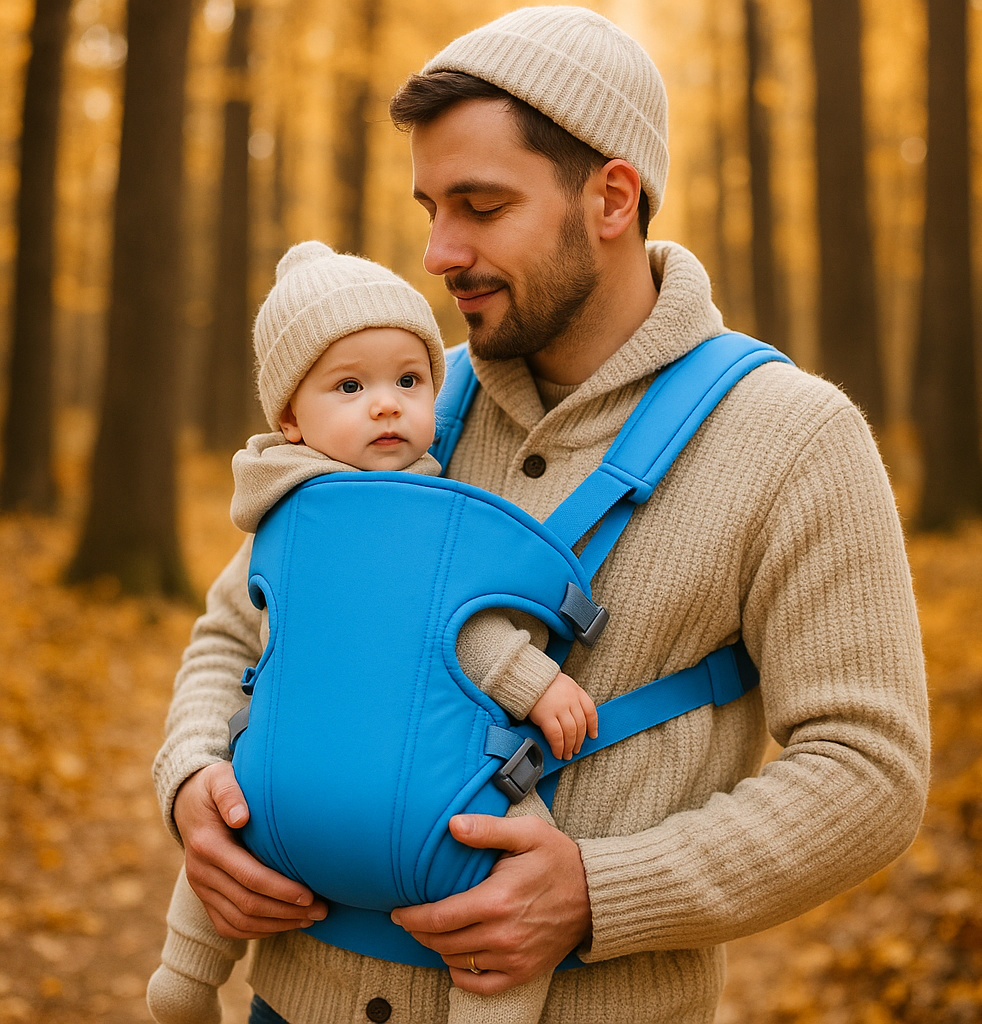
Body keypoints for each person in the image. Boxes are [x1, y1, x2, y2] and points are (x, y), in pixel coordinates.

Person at [153, 7, 930, 1024]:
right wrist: (192, 783)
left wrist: (601, 892)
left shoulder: (792, 437)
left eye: (480, 206)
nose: (438, 252)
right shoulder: (396, 407)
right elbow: (235, 630)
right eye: (431, 207)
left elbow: (869, 770)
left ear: (612, 197)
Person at [147, 243, 596, 1024]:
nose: (386, 405)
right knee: (229, 817)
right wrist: (190, 774)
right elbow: (232, 633)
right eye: (350, 386)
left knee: (514, 862)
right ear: (290, 417)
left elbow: (452, 628)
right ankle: (185, 978)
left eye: (408, 381)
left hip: (395, 785)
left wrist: (531, 681)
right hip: (286, 779)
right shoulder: (285, 517)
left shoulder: (429, 505)